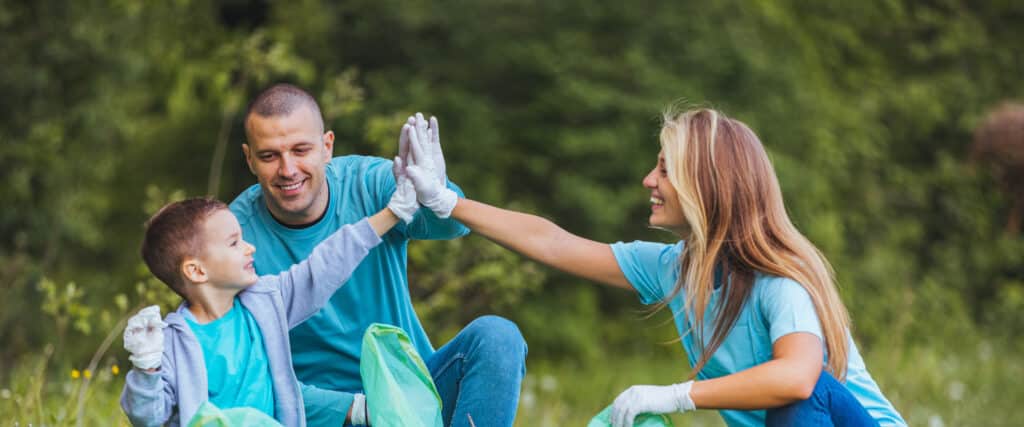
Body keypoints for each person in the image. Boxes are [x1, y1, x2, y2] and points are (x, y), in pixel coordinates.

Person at [400, 107, 907, 427]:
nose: (648, 179)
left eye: (664, 168)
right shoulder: (675, 269)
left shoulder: (780, 282)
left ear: (705, 184)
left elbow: (799, 380)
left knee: (802, 398)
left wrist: (676, 396)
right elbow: (553, 242)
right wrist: (447, 202)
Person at [229, 83, 527, 427]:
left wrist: (440, 196)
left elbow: (451, 229)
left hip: (412, 397)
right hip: (327, 416)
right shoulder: (233, 238)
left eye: (300, 150)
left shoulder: (365, 182)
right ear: (249, 158)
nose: (288, 169)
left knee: (497, 338)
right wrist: (359, 410)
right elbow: (247, 379)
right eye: (269, 156)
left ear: (327, 146)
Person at [120, 187, 418, 426]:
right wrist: (147, 366)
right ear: (197, 271)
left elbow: (324, 265)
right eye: (234, 243)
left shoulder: (264, 302)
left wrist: (392, 214)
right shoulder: (173, 344)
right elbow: (147, 417)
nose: (249, 247)